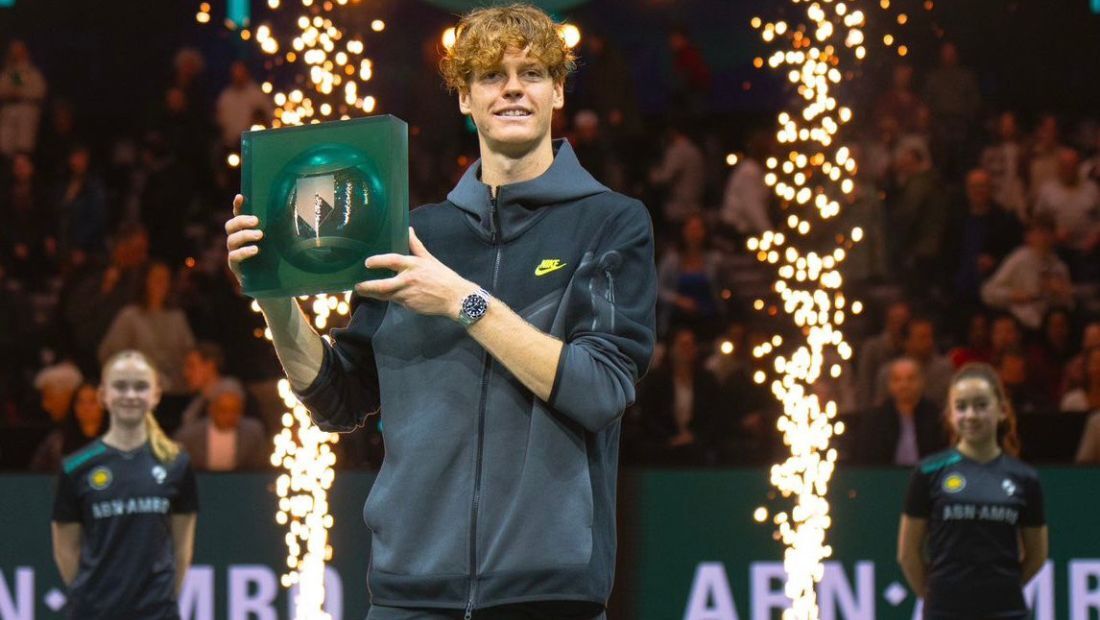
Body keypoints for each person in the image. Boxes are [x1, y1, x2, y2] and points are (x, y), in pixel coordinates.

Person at [224, 5, 656, 618]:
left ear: (557, 90)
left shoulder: (611, 222)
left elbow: (601, 389)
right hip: (408, 594)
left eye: (531, 72)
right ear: (464, 98)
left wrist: (461, 301)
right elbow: (338, 401)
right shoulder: (411, 234)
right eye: (489, 76)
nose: (511, 88)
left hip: (546, 593)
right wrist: (271, 293)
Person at [51, 350, 198, 619]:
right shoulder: (75, 467)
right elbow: (65, 548)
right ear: (103, 395)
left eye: (141, 386)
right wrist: (90, 600)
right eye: (120, 386)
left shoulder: (176, 463)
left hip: (157, 613)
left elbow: (182, 548)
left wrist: (162, 600)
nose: (130, 395)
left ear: (156, 394)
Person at [897, 363, 1048, 620]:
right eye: (961, 406)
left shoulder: (1025, 478)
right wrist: (937, 601)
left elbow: (1037, 555)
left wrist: (1001, 593)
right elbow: (907, 554)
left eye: (981, 405)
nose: (971, 415)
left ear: (1001, 410)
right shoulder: (928, 472)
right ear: (950, 415)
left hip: (1007, 613)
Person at [98, 261, 197, 433]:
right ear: (145, 282)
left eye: (165, 279)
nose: (161, 284)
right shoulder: (129, 316)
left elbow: (189, 354)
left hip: (175, 396)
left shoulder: (177, 317)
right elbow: (109, 354)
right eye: (156, 279)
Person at [981, 214, 1073, 331]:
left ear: (1054, 236)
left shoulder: (1059, 267)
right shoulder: (1019, 259)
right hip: (1019, 323)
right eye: (1038, 233)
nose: (1043, 238)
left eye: (1047, 233)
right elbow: (988, 291)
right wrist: (1013, 295)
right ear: (1029, 236)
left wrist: (1060, 293)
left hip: (1046, 326)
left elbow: (1069, 304)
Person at [856, 358, 947, 466]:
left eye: (911, 379)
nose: (904, 385)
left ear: (922, 382)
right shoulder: (875, 419)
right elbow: (866, 460)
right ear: (889, 384)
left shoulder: (937, 416)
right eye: (897, 379)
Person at [173, 381, 267, 471]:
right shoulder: (188, 437)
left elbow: (258, 468)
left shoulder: (254, 433)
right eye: (223, 410)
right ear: (211, 409)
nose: (229, 416)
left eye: (235, 410)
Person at [31, 382, 107, 472]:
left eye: (92, 401)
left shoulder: (118, 440)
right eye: (80, 402)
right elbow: (36, 473)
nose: (85, 407)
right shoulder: (57, 441)